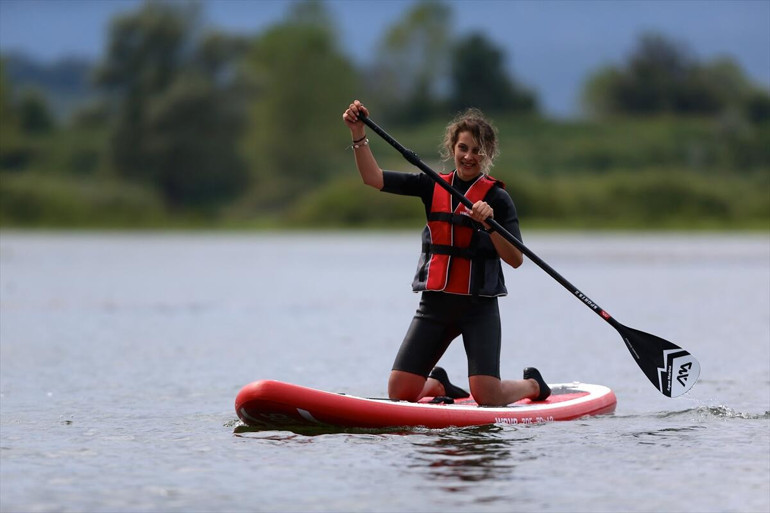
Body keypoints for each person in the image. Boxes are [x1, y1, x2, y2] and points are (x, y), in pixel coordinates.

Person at [342, 99, 551, 407]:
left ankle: (532, 385)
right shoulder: (431, 185)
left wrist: (491, 226)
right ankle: (437, 385)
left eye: (477, 150)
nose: (469, 156)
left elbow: (516, 260)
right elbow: (373, 178)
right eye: (463, 148)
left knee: (487, 397)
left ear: (488, 154)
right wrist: (358, 134)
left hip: (478, 308)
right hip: (435, 305)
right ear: (453, 147)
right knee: (399, 392)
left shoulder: (498, 199)